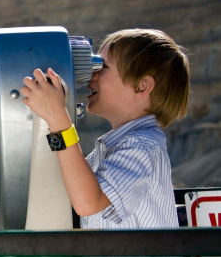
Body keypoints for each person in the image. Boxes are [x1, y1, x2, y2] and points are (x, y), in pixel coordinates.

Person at [20, 28, 190, 228]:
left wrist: (58, 118)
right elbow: (74, 187)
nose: (91, 75)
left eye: (102, 67)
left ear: (142, 86)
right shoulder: (117, 147)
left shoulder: (142, 147)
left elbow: (87, 202)